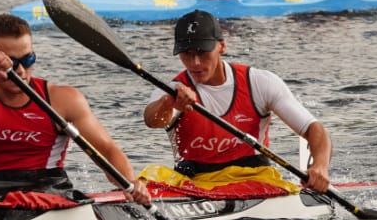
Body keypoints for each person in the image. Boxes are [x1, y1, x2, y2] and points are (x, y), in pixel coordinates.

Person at [0, 13, 149, 202]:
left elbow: (106, 150)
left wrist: (130, 183)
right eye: (11, 61)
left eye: (28, 59)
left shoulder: (62, 99)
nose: (20, 69)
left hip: (48, 191)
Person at [141, 10, 333, 193]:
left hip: (255, 179)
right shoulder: (173, 90)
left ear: (222, 46)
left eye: (202, 52)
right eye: (187, 54)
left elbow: (313, 128)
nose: (195, 62)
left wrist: (319, 166)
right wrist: (169, 103)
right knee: (147, 177)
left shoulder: (259, 82)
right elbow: (153, 121)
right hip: (195, 182)